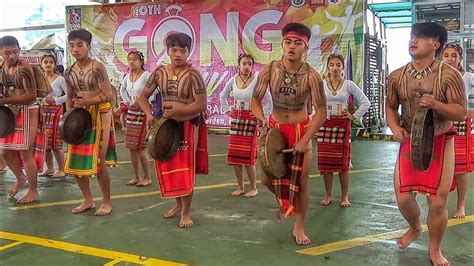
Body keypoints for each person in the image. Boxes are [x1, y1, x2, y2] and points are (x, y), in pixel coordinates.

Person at [386, 22, 466, 266]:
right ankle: (415, 227)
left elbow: (461, 113)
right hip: (409, 141)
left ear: (436, 44)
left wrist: (436, 105)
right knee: (403, 198)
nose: (413, 40)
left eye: (421, 37)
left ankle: (435, 249)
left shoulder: (450, 75)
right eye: (412, 36)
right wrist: (394, 127)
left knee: (438, 202)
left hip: (441, 140)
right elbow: (390, 107)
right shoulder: (397, 76)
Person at [252, 22, 327, 245]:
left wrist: (305, 139)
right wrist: (261, 119)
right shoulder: (270, 69)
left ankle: (299, 226)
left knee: (302, 181)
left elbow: (321, 112)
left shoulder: (313, 77)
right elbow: (255, 100)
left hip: (300, 129)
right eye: (288, 42)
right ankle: (286, 202)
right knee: (266, 176)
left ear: (306, 47)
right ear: (282, 44)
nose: (292, 47)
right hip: (275, 128)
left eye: (297, 43)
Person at [137, 33, 208, 228]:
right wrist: (149, 114)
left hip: (187, 126)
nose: (178, 54)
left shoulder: (194, 75)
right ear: (167, 50)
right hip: (165, 127)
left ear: (188, 52)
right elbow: (142, 97)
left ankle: (186, 211)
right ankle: (178, 205)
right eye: (174, 50)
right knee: (168, 167)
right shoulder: (159, 72)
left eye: (182, 50)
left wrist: (179, 111)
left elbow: (201, 104)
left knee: (185, 170)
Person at [64, 29, 117, 216]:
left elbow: (108, 94)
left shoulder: (97, 67)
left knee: (100, 161)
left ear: (88, 46)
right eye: (72, 45)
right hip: (79, 118)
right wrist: (68, 119)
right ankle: (87, 199)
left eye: (80, 45)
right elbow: (69, 98)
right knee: (76, 162)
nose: (75, 49)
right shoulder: (68, 71)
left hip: (101, 113)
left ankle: (106, 201)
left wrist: (88, 101)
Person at [317, 54, 370, 207]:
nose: (335, 68)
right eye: (332, 64)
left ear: (343, 68)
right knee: (326, 163)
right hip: (325, 125)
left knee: (343, 164)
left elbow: (366, 102)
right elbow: (316, 103)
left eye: (338, 65)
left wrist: (353, 116)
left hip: (342, 125)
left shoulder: (348, 84)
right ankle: (328, 195)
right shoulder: (321, 84)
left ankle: (344, 197)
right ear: (328, 67)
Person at [0, 36, 45, 204]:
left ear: (19, 50)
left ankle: (33, 191)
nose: (11, 56)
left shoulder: (24, 66)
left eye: (15, 52)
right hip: (10, 111)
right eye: (7, 53)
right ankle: (20, 177)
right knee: (4, 151)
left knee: (26, 151)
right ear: (0, 52)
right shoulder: (2, 66)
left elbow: (31, 95)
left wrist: (5, 101)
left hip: (28, 110)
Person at [219, 53, 272, 198]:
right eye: (244, 63)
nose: (247, 66)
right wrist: (227, 110)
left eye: (250, 64)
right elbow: (222, 96)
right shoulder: (233, 80)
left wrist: (263, 117)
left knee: (249, 158)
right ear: (239, 65)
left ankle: (253, 187)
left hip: (250, 119)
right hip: (236, 120)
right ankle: (240, 186)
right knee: (236, 156)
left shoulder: (257, 81)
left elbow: (269, 100)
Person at [442, 42, 474, 219]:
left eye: (454, 55)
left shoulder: (467, 76)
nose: (449, 58)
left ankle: (461, 205)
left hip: (461, 125)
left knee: (460, 168)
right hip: (441, 123)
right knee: (441, 167)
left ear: (460, 58)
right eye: (446, 55)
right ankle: (441, 205)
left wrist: (473, 110)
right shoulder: (437, 75)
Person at [119, 51, 152, 187]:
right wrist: (127, 102)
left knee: (140, 147)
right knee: (131, 147)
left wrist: (144, 101)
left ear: (141, 61)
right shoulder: (128, 77)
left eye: (135, 59)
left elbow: (155, 91)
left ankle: (147, 177)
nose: (132, 62)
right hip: (132, 113)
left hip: (143, 113)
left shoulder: (146, 75)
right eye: (129, 59)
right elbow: (122, 90)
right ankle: (137, 176)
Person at [39, 53, 66, 178]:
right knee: (45, 142)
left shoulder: (60, 79)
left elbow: (69, 95)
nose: (48, 64)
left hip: (55, 112)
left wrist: (55, 100)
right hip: (42, 112)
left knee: (56, 142)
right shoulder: (40, 79)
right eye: (45, 62)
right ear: (41, 64)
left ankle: (62, 169)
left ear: (54, 64)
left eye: (50, 62)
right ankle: (49, 168)